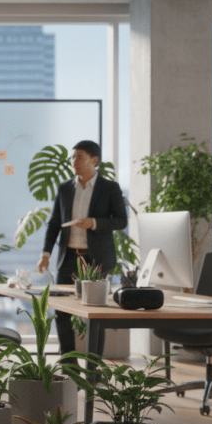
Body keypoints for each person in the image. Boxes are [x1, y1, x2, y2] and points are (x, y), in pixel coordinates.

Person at [37, 140, 128, 356]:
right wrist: (46, 254)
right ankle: (68, 365)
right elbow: (54, 223)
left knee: (95, 314)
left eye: (80, 157)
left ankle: (94, 371)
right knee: (62, 313)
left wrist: (94, 223)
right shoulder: (65, 188)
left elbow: (121, 221)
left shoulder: (110, 188)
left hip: (96, 260)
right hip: (68, 258)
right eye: (73, 157)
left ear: (94, 160)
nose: (74, 161)